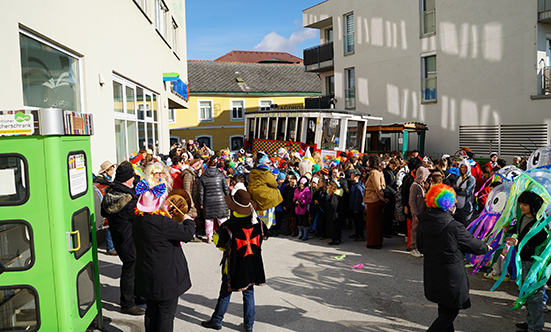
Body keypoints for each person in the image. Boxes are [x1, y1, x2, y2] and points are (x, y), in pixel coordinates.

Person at [417, 184, 489, 332]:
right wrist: (486, 247)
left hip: (432, 271)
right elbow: (475, 246)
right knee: (450, 312)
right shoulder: (454, 226)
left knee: (444, 309)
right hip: (451, 276)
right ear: (448, 204)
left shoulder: (424, 222)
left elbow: (420, 246)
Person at [201, 186, 266, 332]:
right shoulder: (258, 222)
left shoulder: (229, 225)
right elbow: (263, 236)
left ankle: (217, 320)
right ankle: (249, 326)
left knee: (225, 292)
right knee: (249, 293)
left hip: (234, 264)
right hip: (252, 263)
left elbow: (220, 244)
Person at [133, 187, 196, 332]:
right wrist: (188, 220)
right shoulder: (161, 222)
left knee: (151, 313)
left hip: (147, 274)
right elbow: (187, 234)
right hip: (166, 278)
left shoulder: (138, 218)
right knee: (166, 316)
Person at [101, 164, 145, 315]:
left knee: (133, 268)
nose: (134, 178)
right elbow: (138, 216)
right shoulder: (127, 199)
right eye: (132, 176)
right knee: (130, 269)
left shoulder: (113, 192)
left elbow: (103, 210)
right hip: (127, 238)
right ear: (127, 180)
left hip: (120, 236)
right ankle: (127, 304)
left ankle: (135, 295)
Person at [504, 191, 546, 332]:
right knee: (526, 295)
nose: (522, 207)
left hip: (533, 264)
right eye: (521, 204)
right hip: (522, 261)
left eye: (525, 204)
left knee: (534, 297)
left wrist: (518, 242)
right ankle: (531, 323)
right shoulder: (523, 217)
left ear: (533, 205)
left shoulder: (540, 223)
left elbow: (538, 247)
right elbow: (520, 232)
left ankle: (535, 328)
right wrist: (509, 230)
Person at [199, 156, 230, 243]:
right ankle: (225, 237)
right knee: (222, 219)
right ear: (216, 165)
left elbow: (201, 192)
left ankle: (209, 237)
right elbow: (225, 188)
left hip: (208, 201)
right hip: (221, 200)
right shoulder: (220, 175)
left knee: (209, 220)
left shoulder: (203, 176)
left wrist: (201, 203)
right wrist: (227, 198)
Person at [363, 155, 388, 249]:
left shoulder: (374, 173)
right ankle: (377, 241)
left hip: (373, 199)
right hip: (375, 199)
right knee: (376, 222)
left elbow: (378, 187)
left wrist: (382, 198)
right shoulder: (378, 171)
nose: (367, 163)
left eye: (368, 161)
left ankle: (373, 242)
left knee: (372, 224)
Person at [409, 167, 430, 258]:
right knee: (415, 230)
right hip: (417, 212)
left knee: (419, 230)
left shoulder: (420, 184)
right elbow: (412, 201)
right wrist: (415, 213)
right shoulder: (415, 186)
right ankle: (413, 247)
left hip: (421, 212)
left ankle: (418, 247)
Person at [454, 159, 476, 227]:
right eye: (462, 167)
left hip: (466, 207)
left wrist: (456, 190)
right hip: (457, 206)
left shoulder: (471, 179)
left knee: (467, 226)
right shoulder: (458, 178)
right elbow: (451, 188)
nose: (464, 169)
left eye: (465, 167)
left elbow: (467, 192)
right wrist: (460, 189)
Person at [382, 158, 399, 238]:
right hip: (388, 194)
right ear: (390, 164)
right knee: (387, 214)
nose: (394, 168)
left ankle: (389, 228)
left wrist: (396, 187)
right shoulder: (386, 172)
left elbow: (393, 182)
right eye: (394, 166)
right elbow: (386, 185)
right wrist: (394, 192)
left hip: (392, 194)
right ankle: (385, 230)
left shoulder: (392, 171)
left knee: (391, 213)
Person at [349, 169, 365, 241]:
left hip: (358, 207)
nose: (351, 177)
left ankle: (360, 235)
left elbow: (358, 198)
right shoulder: (354, 185)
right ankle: (357, 233)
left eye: (352, 176)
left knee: (359, 222)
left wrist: (356, 208)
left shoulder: (358, 186)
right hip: (354, 205)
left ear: (357, 177)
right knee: (356, 221)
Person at [294, 176, 312, 241]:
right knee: (299, 221)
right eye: (300, 184)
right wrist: (295, 200)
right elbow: (294, 197)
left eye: (303, 184)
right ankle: (300, 233)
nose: (301, 186)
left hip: (304, 208)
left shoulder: (307, 190)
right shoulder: (296, 190)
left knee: (305, 221)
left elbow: (309, 199)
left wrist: (303, 202)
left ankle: (305, 234)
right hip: (298, 208)